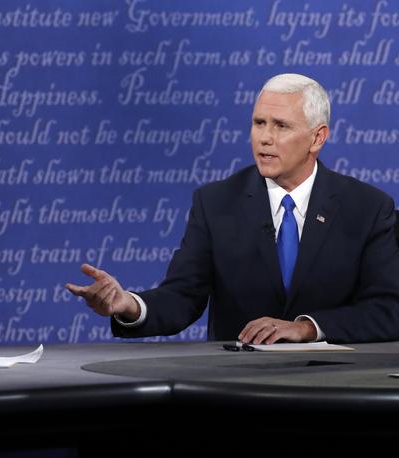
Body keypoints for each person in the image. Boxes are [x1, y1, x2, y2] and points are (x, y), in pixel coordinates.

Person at [67, 73, 399, 345]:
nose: (264, 138)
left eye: (280, 126)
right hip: (238, 388)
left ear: (317, 138)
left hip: (336, 389)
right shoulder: (216, 203)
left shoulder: (367, 208)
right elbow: (182, 298)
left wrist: (306, 328)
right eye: (259, 123)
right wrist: (129, 305)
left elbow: (388, 310)